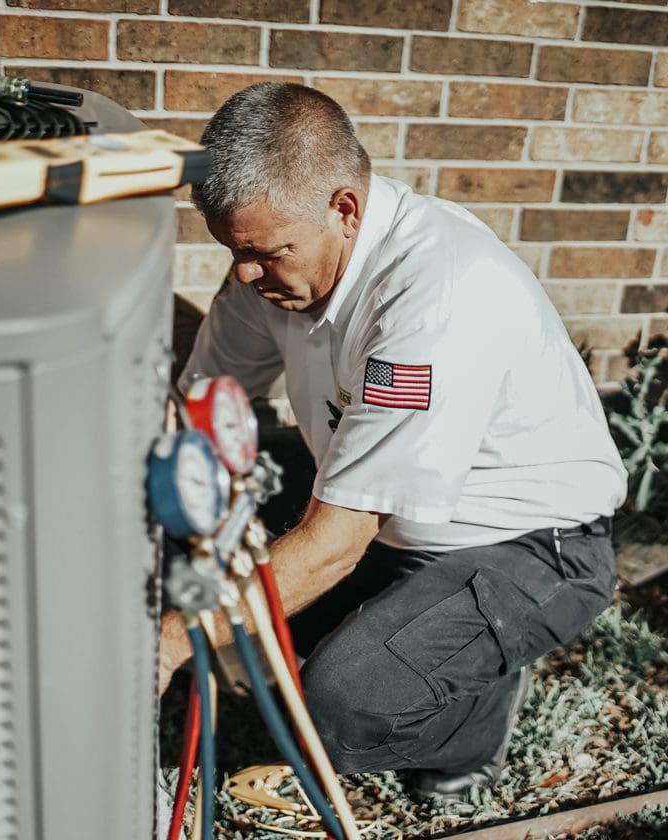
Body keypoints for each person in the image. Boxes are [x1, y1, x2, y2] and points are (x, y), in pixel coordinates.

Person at [160, 82, 627, 800]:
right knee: (189, 516)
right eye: (234, 252)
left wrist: (167, 642)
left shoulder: (437, 294)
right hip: (378, 511)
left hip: (525, 545)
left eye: (266, 253)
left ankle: (475, 718)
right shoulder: (275, 265)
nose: (247, 275)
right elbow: (199, 412)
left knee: (340, 704)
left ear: (343, 208)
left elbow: (335, 541)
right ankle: (386, 628)